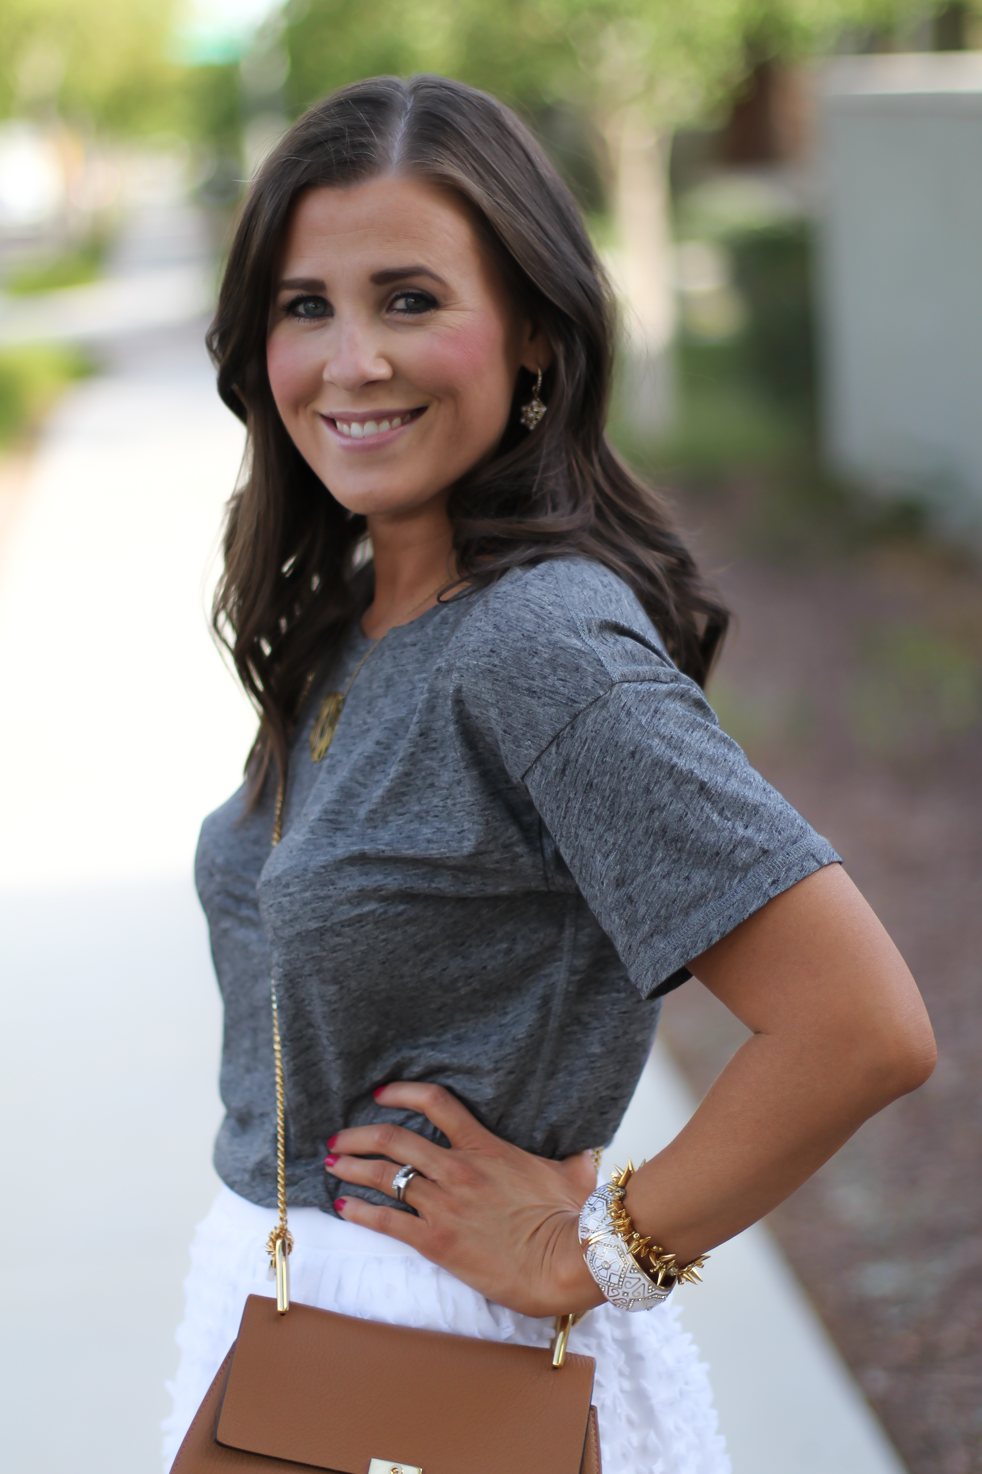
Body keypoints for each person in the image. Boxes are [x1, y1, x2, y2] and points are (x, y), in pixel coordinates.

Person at [161, 74, 936, 1474]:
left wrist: (597, 1248)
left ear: (529, 332)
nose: (350, 361)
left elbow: (858, 1024)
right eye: (305, 304)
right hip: (296, 1323)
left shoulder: (539, 645)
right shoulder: (349, 615)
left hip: (430, 1370)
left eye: (409, 299)